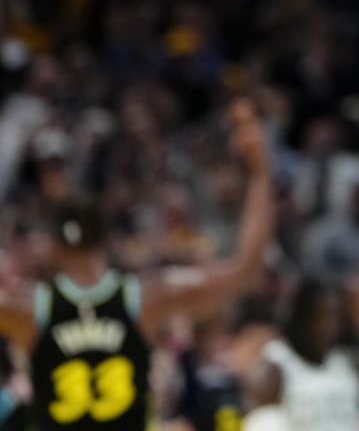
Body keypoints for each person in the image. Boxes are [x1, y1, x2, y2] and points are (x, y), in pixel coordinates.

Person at [0, 100, 274, 431]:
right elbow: (244, 272)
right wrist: (259, 174)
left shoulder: (28, 310)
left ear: (53, 247)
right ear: (104, 240)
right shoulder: (144, 300)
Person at [243, 278, 359, 431]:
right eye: (317, 317)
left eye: (334, 318)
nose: (326, 327)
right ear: (298, 316)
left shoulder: (348, 365)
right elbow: (256, 423)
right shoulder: (274, 367)